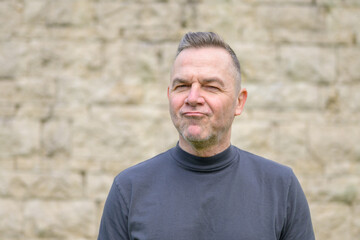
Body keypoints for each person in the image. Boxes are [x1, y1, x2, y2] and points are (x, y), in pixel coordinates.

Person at [97, 32, 315, 240]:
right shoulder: (129, 189)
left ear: (239, 102)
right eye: (182, 86)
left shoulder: (280, 188)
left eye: (210, 87)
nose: (193, 97)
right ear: (169, 95)